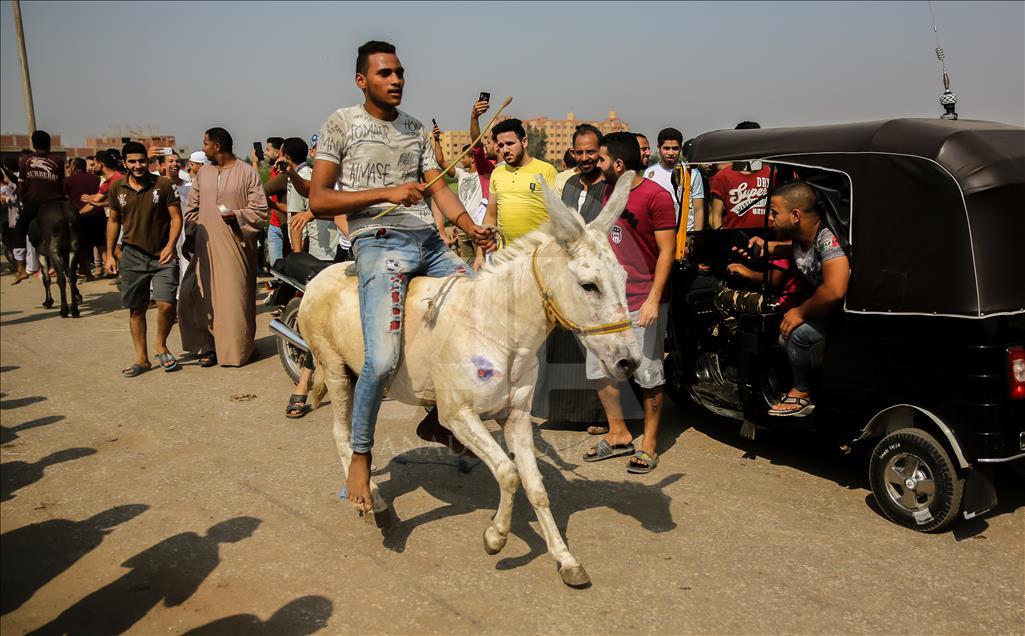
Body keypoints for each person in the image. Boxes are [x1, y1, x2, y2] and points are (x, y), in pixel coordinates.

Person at [308, 40, 494, 513]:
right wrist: (388, 190)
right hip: (378, 241)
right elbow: (320, 201)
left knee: (480, 318)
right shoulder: (340, 123)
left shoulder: (414, 128)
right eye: (385, 73)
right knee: (383, 357)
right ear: (361, 80)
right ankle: (361, 456)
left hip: (429, 243)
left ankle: (436, 420)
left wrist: (470, 227)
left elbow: (439, 189)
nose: (396, 81)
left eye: (400, 73)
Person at [583, 132, 675, 474]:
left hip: (644, 302)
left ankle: (649, 443)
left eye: (602, 159)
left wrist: (653, 299)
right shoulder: (608, 191)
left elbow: (667, 250)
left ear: (619, 164)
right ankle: (619, 433)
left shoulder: (656, 196)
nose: (597, 163)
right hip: (608, 304)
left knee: (648, 372)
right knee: (598, 370)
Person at [746, 182, 849, 417]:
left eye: (774, 212)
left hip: (844, 317)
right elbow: (790, 249)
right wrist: (766, 247)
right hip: (828, 312)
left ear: (795, 215)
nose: (770, 219)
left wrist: (800, 312)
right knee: (784, 333)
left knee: (796, 334)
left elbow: (834, 289)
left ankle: (802, 391)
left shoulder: (827, 239)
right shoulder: (802, 238)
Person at [531, 123, 608, 430]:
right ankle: (565, 411)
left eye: (591, 151)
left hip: (594, 279)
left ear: (600, 152)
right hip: (567, 276)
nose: (585, 157)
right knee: (563, 346)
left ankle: (600, 417)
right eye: (580, 152)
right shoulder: (572, 184)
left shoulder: (609, 187)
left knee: (595, 349)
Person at [178, 127, 269, 367]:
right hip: (204, 247)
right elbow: (192, 208)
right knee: (198, 296)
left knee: (234, 301)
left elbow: (260, 211)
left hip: (235, 246)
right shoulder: (203, 174)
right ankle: (208, 347)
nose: (203, 147)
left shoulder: (247, 172)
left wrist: (237, 216)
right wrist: (191, 233)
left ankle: (239, 350)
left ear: (217, 146)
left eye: (205, 144)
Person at [104, 142, 183, 377]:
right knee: (136, 309)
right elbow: (114, 221)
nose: (137, 166)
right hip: (132, 255)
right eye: (132, 162)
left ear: (148, 162)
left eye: (141, 161)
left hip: (163, 254)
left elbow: (176, 218)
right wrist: (109, 253)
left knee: (167, 303)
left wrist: (171, 245)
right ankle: (142, 358)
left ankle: (161, 344)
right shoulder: (117, 187)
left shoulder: (164, 185)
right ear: (125, 163)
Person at [478, 117, 557, 268]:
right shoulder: (497, 173)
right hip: (504, 259)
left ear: (524, 142)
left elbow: (556, 217)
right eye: (501, 145)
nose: (505, 149)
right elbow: (491, 216)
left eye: (510, 143)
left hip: (538, 259)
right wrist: (480, 255)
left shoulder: (546, 171)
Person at [11, 130, 65, 285]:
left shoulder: (26, 161)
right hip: (57, 202)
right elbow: (62, 183)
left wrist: (24, 196)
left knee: (19, 231)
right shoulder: (58, 160)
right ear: (49, 143)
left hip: (35, 204)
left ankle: (21, 269)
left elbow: (21, 184)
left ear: (34, 144)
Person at [644, 127, 705, 231]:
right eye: (666, 148)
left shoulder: (693, 173)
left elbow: (698, 209)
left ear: (680, 148)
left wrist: (695, 238)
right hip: (660, 234)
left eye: (675, 148)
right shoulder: (650, 173)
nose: (671, 152)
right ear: (659, 148)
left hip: (687, 234)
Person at [63, 157, 101, 278]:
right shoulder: (96, 178)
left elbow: (65, 196)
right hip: (96, 213)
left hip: (78, 215)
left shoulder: (68, 181)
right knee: (99, 243)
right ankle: (105, 268)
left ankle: (87, 271)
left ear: (73, 167)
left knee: (80, 246)